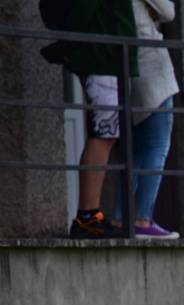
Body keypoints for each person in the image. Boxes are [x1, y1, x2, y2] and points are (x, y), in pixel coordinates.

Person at [41, 0, 138, 238]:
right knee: (104, 134)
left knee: (106, 134)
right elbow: (84, 9)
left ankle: (89, 215)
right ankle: (87, 216)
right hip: (104, 57)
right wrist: (68, 44)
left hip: (109, 57)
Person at [110, 0, 180, 238]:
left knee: (137, 151)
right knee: (157, 146)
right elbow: (168, 11)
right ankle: (142, 218)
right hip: (152, 68)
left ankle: (120, 218)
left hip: (132, 67)